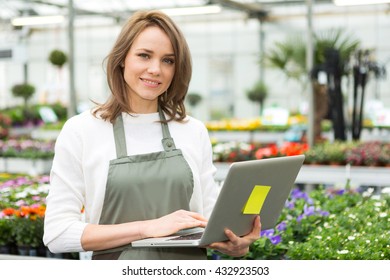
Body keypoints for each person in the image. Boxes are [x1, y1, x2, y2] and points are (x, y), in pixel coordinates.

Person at [43, 10, 261, 260]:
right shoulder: (82, 130)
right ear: (122, 58)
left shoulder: (192, 130)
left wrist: (233, 240)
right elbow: (57, 233)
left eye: (168, 60)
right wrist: (147, 229)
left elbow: (208, 215)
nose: (155, 69)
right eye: (144, 55)